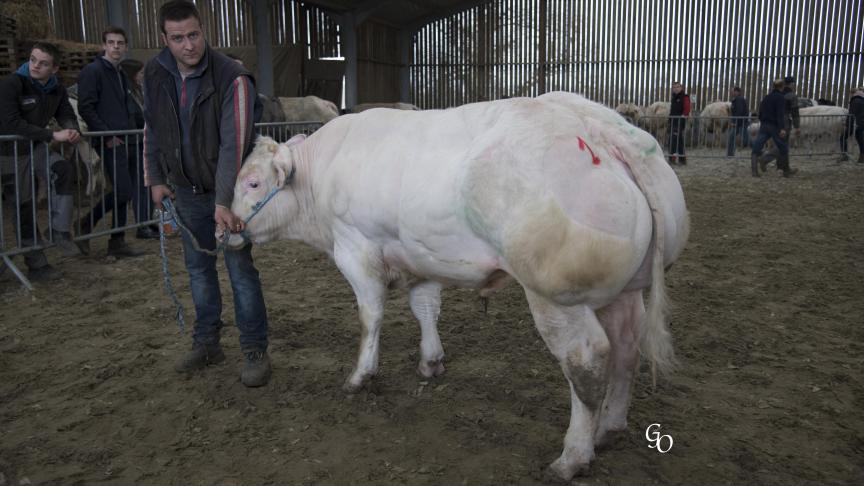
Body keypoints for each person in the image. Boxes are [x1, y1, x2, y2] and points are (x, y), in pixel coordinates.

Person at [143, 0, 271, 387]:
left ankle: (254, 350)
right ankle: (207, 342)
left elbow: (235, 143)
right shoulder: (154, 73)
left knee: (239, 270)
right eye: (178, 38)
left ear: (204, 31)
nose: (188, 45)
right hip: (185, 191)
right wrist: (154, 177)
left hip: (226, 195)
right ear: (164, 39)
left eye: (194, 35)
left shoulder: (232, 77)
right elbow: (151, 127)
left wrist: (222, 201)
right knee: (199, 270)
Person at [0, 41, 82, 280]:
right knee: (23, 205)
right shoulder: (13, 84)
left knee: (63, 169)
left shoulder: (57, 89)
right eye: (33, 59)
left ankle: (59, 231)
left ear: (54, 69)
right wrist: (52, 135)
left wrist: (72, 129)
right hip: (8, 151)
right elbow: (11, 123)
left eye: (43, 63)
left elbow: (65, 113)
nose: (35, 66)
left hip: (33, 146)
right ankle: (36, 263)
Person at [76, 26, 143, 257]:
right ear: (104, 45)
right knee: (123, 191)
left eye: (120, 43)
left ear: (125, 46)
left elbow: (127, 107)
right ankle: (86, 222)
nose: (116, 47)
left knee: (125, 191)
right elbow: (86, 106)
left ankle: (118, 240)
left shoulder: (120, 73)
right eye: (111, 42)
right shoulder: (93, 71)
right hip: (109, 140)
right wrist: (106, 135)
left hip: (127, 139)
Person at [119, 58, 159, 239]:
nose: (143, 76)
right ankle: (142, 224)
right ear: (132, 74)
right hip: (135, 143)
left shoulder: (139, 92)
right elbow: (135, 116)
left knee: (147, 184)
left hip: (143, 142)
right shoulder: (127, 93)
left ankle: (148, 221)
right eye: (140, 73)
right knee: (139, 187)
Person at [752, 79, 796, 177]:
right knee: (783, 147)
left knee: (756, 147)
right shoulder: (781, 98)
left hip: (764, 125)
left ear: (773, 86)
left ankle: (754, 172)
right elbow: (779, 114)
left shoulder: (766, 97)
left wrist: (762, 121)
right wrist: (782, 128)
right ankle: (786, 171)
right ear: (782, 87)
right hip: (774, 126)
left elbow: (761, 111)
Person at [668, 81, 691, 165]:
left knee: (674, 140)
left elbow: (687, 109)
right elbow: (672, 110)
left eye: (678, 87)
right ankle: (682, 159)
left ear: (681, 88)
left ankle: (672, 159)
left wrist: (682, 118)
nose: (676, 89)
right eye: (674, 87)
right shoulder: (674, 98)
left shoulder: (684, 97)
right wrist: (670, 120)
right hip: (673, 121)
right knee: (679, 140)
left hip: (679, 121)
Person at [841, 87, 864, 164]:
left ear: (852, 93)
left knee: (843, 137)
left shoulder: (855, 101)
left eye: (850, 94)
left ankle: (844, 156)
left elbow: (852, 114)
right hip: (861, 123)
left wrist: (847, 124)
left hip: (854, 123)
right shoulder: (862, 100)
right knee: (860, 139)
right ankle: (862, 157)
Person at [726, 86, 750, 157]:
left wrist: (734, 121)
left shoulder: (739, 100)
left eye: (732, 91)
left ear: (737, 92)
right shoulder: (736, 100)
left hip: (741, 123)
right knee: (731, 137)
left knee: (746, 140)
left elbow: (739, 111)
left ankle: (758, 150)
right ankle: (730, 154)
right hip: (739, 123)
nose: (731, 92)